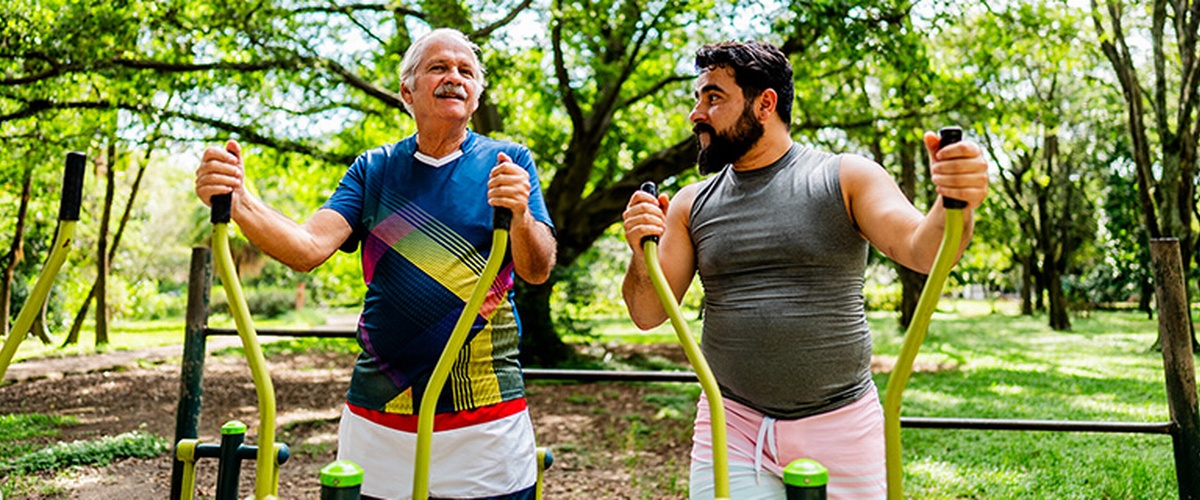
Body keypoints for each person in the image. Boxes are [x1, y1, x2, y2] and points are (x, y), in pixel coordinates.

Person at [194, 28, 556, 499]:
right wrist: (239, 200)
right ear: (407, 91)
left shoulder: (508, 162)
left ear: (478, 93)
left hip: (486, 422)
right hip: (379, 418)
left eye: (466, 71)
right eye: (438, 68)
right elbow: (306, 248)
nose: (454, 78)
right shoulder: (374, 168)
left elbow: (537, 267)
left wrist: (521, 213)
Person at [620, 40, 988, 499]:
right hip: (733, 424)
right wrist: (641, 251)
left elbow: (925, 250)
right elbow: (647, 312)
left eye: (713, 97)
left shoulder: (846, 176)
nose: (697, 113)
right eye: (697, 99)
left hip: (842, 424)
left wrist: (956, 202)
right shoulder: (690, 203)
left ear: (765, 104)